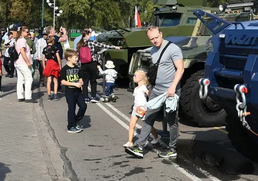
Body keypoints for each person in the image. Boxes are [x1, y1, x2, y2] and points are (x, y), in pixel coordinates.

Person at [126, 26, 184, 159]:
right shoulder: (153, 51)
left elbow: (180, 69)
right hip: (156, 90)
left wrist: (173, 87)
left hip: (170, 90)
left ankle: (172, 148)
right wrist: (150, 86)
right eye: (151, 39)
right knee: (149, 117)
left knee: (172, 120)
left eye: (156, 37)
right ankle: (140, 147)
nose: (155, 41)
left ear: (161, 34)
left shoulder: (173, 49)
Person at [76, 31, 119, 103]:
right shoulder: (92, 42)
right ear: (87, 35)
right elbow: (103, 46)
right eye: (89, 34)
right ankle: (93, 96)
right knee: (93, 81)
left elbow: (78, 55)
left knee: (85, 82)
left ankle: (85, 97)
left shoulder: (79, 44)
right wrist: (115, 47)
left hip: (84, 65)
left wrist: (79, 65)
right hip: (92, 63)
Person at [124, 69, 160, 148]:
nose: (133, 77)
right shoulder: (136, 88)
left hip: (142, 109)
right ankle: (130, 142)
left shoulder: (143, 87)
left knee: (147, 125)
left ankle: (156, 136)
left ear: (140, 78)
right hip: (136, 108)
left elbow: (149, 95)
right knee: (131, 124)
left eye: (135, 76)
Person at [60, 49, 87, 133]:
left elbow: (80, 77)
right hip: (70, 92)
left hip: (78, 91)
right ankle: (71, 126)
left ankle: (76, 120)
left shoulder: (77, 68)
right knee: (72, 108)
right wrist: (74, 84)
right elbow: (63, 81)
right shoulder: (64, 69)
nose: (77, 59)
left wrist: (80, 81)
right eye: (75, 57)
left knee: (83, 106)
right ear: (69, 58)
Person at [14, 26, 35, 103]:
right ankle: (28, 97)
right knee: (29, 78)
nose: (28, 33)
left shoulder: (17, 39)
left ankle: (20, 96)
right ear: (22, 32)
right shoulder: (22, 40)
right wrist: (28, 62)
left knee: (20, 79)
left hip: (17, 62)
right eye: (26, 31)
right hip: (23, 62)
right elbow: (22, 52)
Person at [42, 36, 62, 101]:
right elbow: (58, 58)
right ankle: (55, 94)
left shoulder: (45, 49)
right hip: (54, 64)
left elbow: (43, 59)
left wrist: (44, 66)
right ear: (53, 41)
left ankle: (49, 94)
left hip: (48, 64)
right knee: (55, 80)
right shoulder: (55, 48)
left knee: (49, 80)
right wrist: (60, 65)